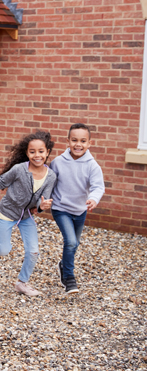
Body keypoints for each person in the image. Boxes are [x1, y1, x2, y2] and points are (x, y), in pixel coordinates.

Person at [0, 131, 57, 297]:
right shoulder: (19, 169)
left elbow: (42, 201)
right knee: (3, 251)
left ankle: (22, 282)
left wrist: (43, 206)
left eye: (41, 151)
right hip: (7, 213)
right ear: (27, 153)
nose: (37, 155)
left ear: (47, 152)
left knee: (33, 251)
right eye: (32, 152)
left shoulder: (51, 176)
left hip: (26, 216)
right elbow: (1, 182)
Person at [49, 123, 104, 294]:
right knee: (71, 242)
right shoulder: (58, 162)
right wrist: (40, 204)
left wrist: (93, 199)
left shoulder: (92, 165)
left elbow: (98, 187)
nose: (78, 144)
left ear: (89, 143)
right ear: (68, 141)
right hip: (60, 208)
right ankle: (69, 279)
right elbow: (48, 183)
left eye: (82, 141)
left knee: (74, 243)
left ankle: (64, 265)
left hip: (80, 210)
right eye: (74, 140)